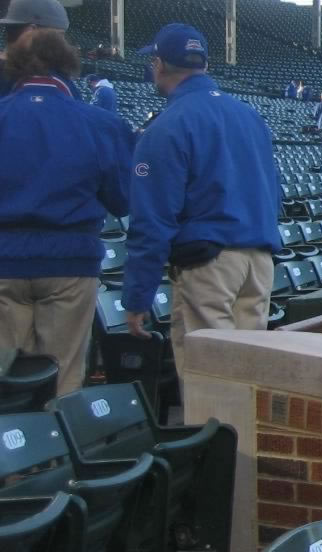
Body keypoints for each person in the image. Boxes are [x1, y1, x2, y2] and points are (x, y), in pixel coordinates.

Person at [123, 25, 280, 383]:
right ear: (204, 64)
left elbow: (152, 219)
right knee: (247, 378)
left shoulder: (168, 125)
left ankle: (221, 440)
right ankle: (242, 441)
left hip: (210, 265)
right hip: (259, 262)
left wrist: (137, 296)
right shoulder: (248, 115)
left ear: (159, 64)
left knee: (211, 381)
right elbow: (274, 192)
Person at [0, 29, 134, 395]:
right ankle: (57, 451)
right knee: (62, 379)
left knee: (4, 385)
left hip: (4, 264)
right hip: (70, 265)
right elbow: (123, 201)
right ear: (67, 66)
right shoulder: (101, 123)